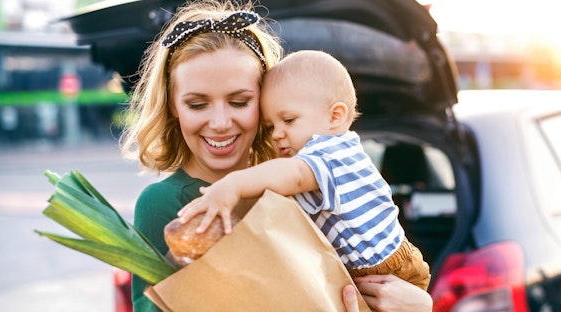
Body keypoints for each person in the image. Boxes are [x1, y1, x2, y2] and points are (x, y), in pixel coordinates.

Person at [120, 1, 431, 311]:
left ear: (266, 101)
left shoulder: (295, 186)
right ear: (174, 107)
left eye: (239, 102)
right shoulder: (164, 204)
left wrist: (420, 306)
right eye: (198, 104)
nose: (219, 122)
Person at [178, 50, 431, 291]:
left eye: (288, 120)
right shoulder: (332, 154)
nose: (277, 134)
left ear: (335, 116)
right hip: (372, 270)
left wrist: (232, 185)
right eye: (269, 126)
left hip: (388, 271)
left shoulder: (330, 154)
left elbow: (294, 176)